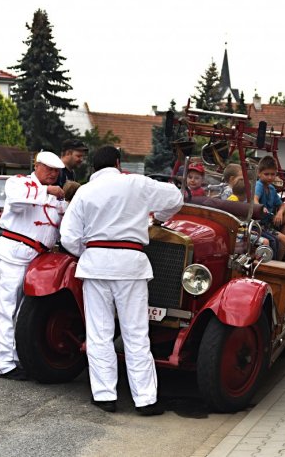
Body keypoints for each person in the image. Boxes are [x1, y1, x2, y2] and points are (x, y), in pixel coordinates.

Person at [60, 145, 183, 416]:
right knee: (136, 333)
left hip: (96, 266)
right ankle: (146, 400)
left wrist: (92, 252)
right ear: (118, 162)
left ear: (94, 167)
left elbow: (68, 236)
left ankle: (105, 396)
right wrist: (159, 220)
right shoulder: (135, 183)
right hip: (130, 265)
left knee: (99, 333)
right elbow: (175, 197)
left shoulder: (84, 192)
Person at [0, 151, 68, 380]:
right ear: (37, 166)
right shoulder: (21, 182)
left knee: (24, 313)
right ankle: (1, 363)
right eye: (49, 169)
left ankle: (15, 357)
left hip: (39, 258)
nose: (53, 174)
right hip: (14, 252)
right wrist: (47, 191)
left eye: (57, 171)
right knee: (6, 308)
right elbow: (18, 196)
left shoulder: (56, 196)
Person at [254, 156, 285, 261]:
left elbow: (283, 204)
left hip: (270, 221)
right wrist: (261, 207)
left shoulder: (271, 188)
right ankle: (277, 261)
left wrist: (280, 213)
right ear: (259, 173)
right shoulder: (259, 185)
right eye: (266, 174)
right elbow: (254, 199)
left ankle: (281, 247)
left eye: (272, 174)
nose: (269, 177)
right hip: (260, 225)